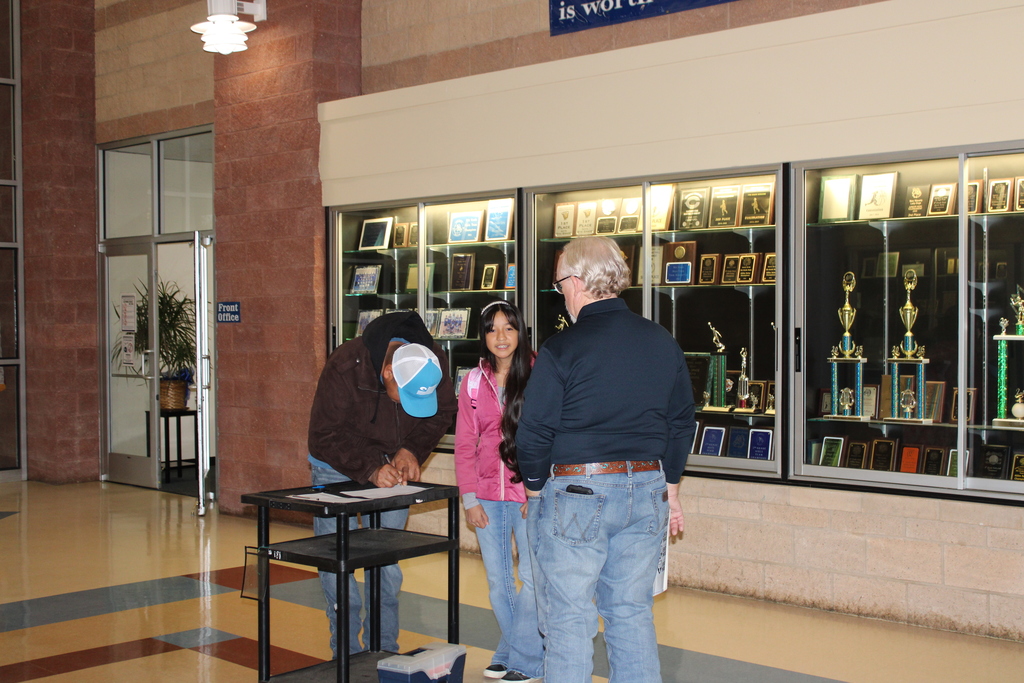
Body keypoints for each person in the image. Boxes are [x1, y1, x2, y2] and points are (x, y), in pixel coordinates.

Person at [517, 236, 696, 683]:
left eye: (560, 284)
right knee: (631, 611)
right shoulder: (662, 341)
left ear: (577, 282)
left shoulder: (562, 348)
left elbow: (534, 431)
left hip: (578, 492)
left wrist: (535, 489)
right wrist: (671, 487)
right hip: (648, 488)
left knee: (569, 617)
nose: (561, 293)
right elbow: (681, 422)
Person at [307, 310, 458, 657]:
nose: (411, 406)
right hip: (336, 463)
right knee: (338, 560)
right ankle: (345, 653)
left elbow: (442, 412)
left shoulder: (431, 362)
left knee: (385, 562)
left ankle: (383, 651)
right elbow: (323, 436)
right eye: (405, 396)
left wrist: (411, 449)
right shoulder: (345, 364)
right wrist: (371, 468)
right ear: (388, 372)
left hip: (391, 461)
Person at [454, 301, 543, 683]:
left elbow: (551, 436)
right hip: (487, 496)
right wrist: (469, 499)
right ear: (484, 336)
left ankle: (526, 660)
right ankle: (513, 653)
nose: (501, 337)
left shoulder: (540, 374)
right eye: (492, 329)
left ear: (521, 332)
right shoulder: (474, 381)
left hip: (529, 495)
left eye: (509, 328)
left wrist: (537, 489)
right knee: (498, 582)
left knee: (534, 580)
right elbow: (464, 444)